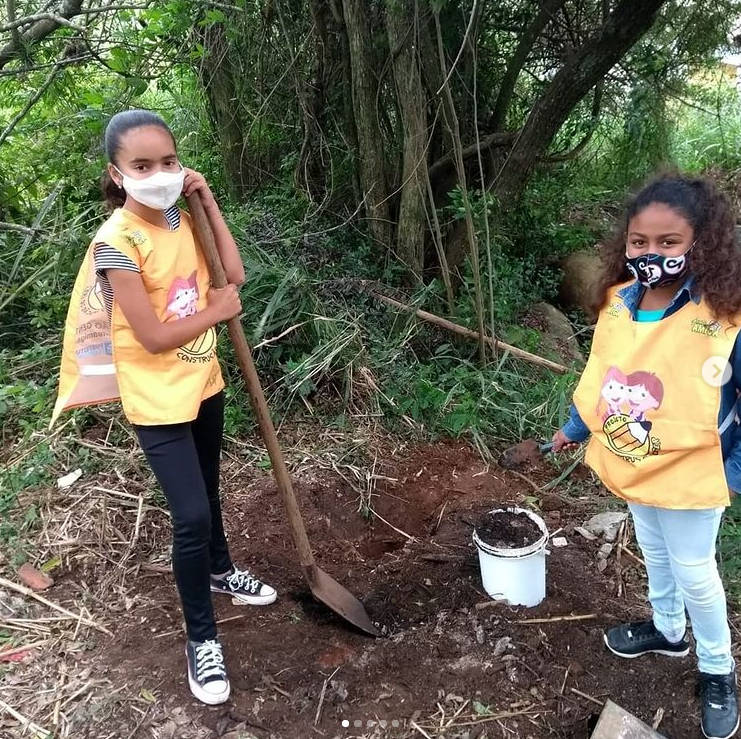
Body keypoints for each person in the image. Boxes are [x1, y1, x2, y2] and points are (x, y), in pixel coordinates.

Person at [52, 109, 277, 706]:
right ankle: (201, 639)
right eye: (143, 165)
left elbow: (232, 273)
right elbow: (152, 336)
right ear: (117, 173)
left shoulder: (182, 214)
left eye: (169, 162)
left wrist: (207, 203)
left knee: (210, 487)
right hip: (155, 399)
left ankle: (221, 569)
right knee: (191, 516)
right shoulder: (117, 243)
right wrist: (217, 313)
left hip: (203, 380)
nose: (159, 173)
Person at [552, 174, 741, 739]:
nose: (650, 253)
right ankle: (667, 628)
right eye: (639, 241)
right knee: (653, 551)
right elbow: (603, 376)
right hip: (635, 458)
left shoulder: (725, 316)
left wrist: (732, 472)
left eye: (668, 242)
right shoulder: (619, 302)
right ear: (625, 243)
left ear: (701, 244)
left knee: (694, 570)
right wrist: (572, 428)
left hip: (692, 469)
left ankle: (717, 667)